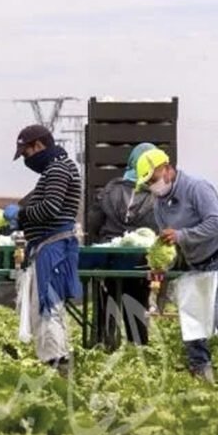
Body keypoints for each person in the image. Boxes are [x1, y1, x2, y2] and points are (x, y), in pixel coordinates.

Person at [138, 148, 218, 385]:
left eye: (154, 179)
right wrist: (161, 262)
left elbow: (217, 225)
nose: (152, 186)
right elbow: (170, 242)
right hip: (196, 262)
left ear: (167, 169)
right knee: (193, 319)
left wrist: (181, 235)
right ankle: (201, 374)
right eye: (148, 183)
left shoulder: (197, 188)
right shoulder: (159, 204)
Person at [3, 124, 82, 375]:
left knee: (47, 309)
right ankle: (58, 365)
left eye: (25, 153)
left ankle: (58, 368)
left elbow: (50, 208)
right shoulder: (55, 168)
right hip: (51, 246)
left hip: (54, 247)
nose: (27, 159)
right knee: (49, 308)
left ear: (38, 146)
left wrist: (22, 215)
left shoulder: (58, 169)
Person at [87, 142, 159, 344]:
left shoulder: (110, 189)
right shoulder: (154, 196)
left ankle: (102, 345)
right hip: (139, 263)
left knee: (106, 307)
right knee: (137, 307)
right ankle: (138, 350)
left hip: (109, 261)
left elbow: (94, 223)